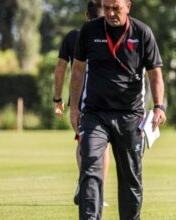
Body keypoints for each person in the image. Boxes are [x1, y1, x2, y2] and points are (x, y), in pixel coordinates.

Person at [69, 0, 166, 219]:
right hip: (95, 114)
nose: (111, 13)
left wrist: (158, 106)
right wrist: (73, 108)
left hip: (130, 116)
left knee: (130, 176)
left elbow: (155, 74)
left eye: (116, 8)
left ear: (128, 6)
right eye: (107, 8)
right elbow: (77, 70)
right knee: (90, 166)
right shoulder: (89, 31)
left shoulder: (142, 33)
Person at [52, 0, 111, 207]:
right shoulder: (112, 35)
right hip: (108, 100)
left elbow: (60, 70)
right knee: (104, 148)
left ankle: (85, 184)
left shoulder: (73, 36)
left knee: (83, 142)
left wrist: (58, 100)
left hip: (80, 101)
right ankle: (96, 191)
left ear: (87, 15)